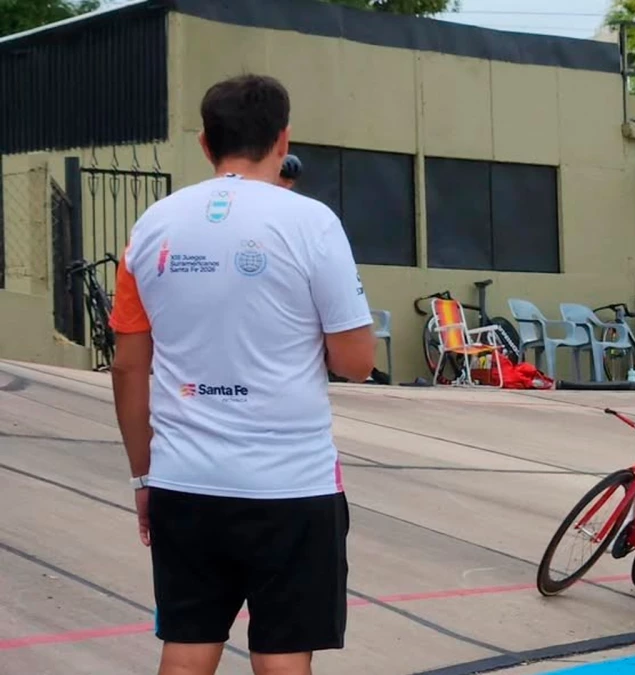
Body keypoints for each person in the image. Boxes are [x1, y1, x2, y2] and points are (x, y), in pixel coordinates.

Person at [108, 73, 376, 675]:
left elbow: (129, 366)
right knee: (282, 655)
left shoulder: (152, 225)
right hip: (291, 484)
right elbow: (357, 363)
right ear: (284, 140)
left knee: (186, 646)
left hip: (183, 477)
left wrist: (143, 477)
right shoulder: (312, 222)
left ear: (205, 143)